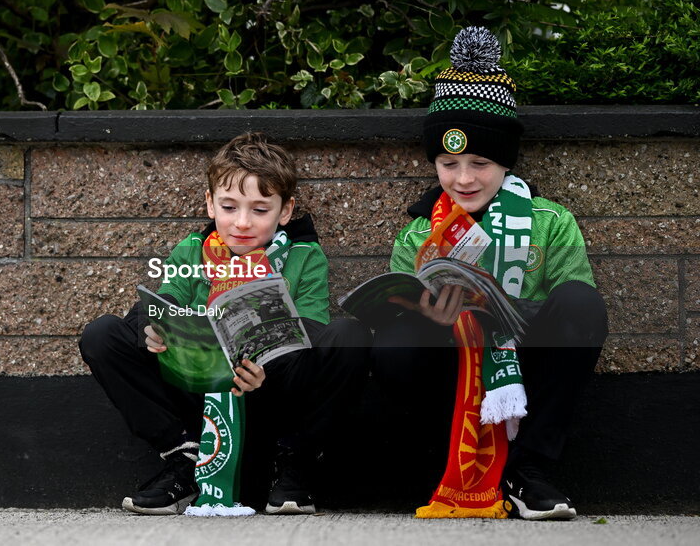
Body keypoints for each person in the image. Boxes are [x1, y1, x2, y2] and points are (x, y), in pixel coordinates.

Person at [371, 27, 608, 520]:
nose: (464, 179)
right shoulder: (418, 233)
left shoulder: (549, 221)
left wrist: (507, 314)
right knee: (393, 341)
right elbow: (393, 311)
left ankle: (531, 470)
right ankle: (451, 465)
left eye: (480, 162)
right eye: (448, 162)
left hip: (529, 367)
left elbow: (575, 304)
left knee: (581, 304)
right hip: (451, 372)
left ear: (504, 159)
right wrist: (424, 314)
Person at [80, 132, 370, 515]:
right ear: (210, 204)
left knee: (348, 336)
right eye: (229, 207)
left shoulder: (304, 255)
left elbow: (313, 330)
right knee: (103, 334)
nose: (242, 222)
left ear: (285, 211)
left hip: (272, 394)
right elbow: (165, 300)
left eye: (260, 210)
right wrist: (154, 328)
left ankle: (294, 467)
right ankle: (185, 458)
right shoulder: (191, 250)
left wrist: (266, 365)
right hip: (198, 390)